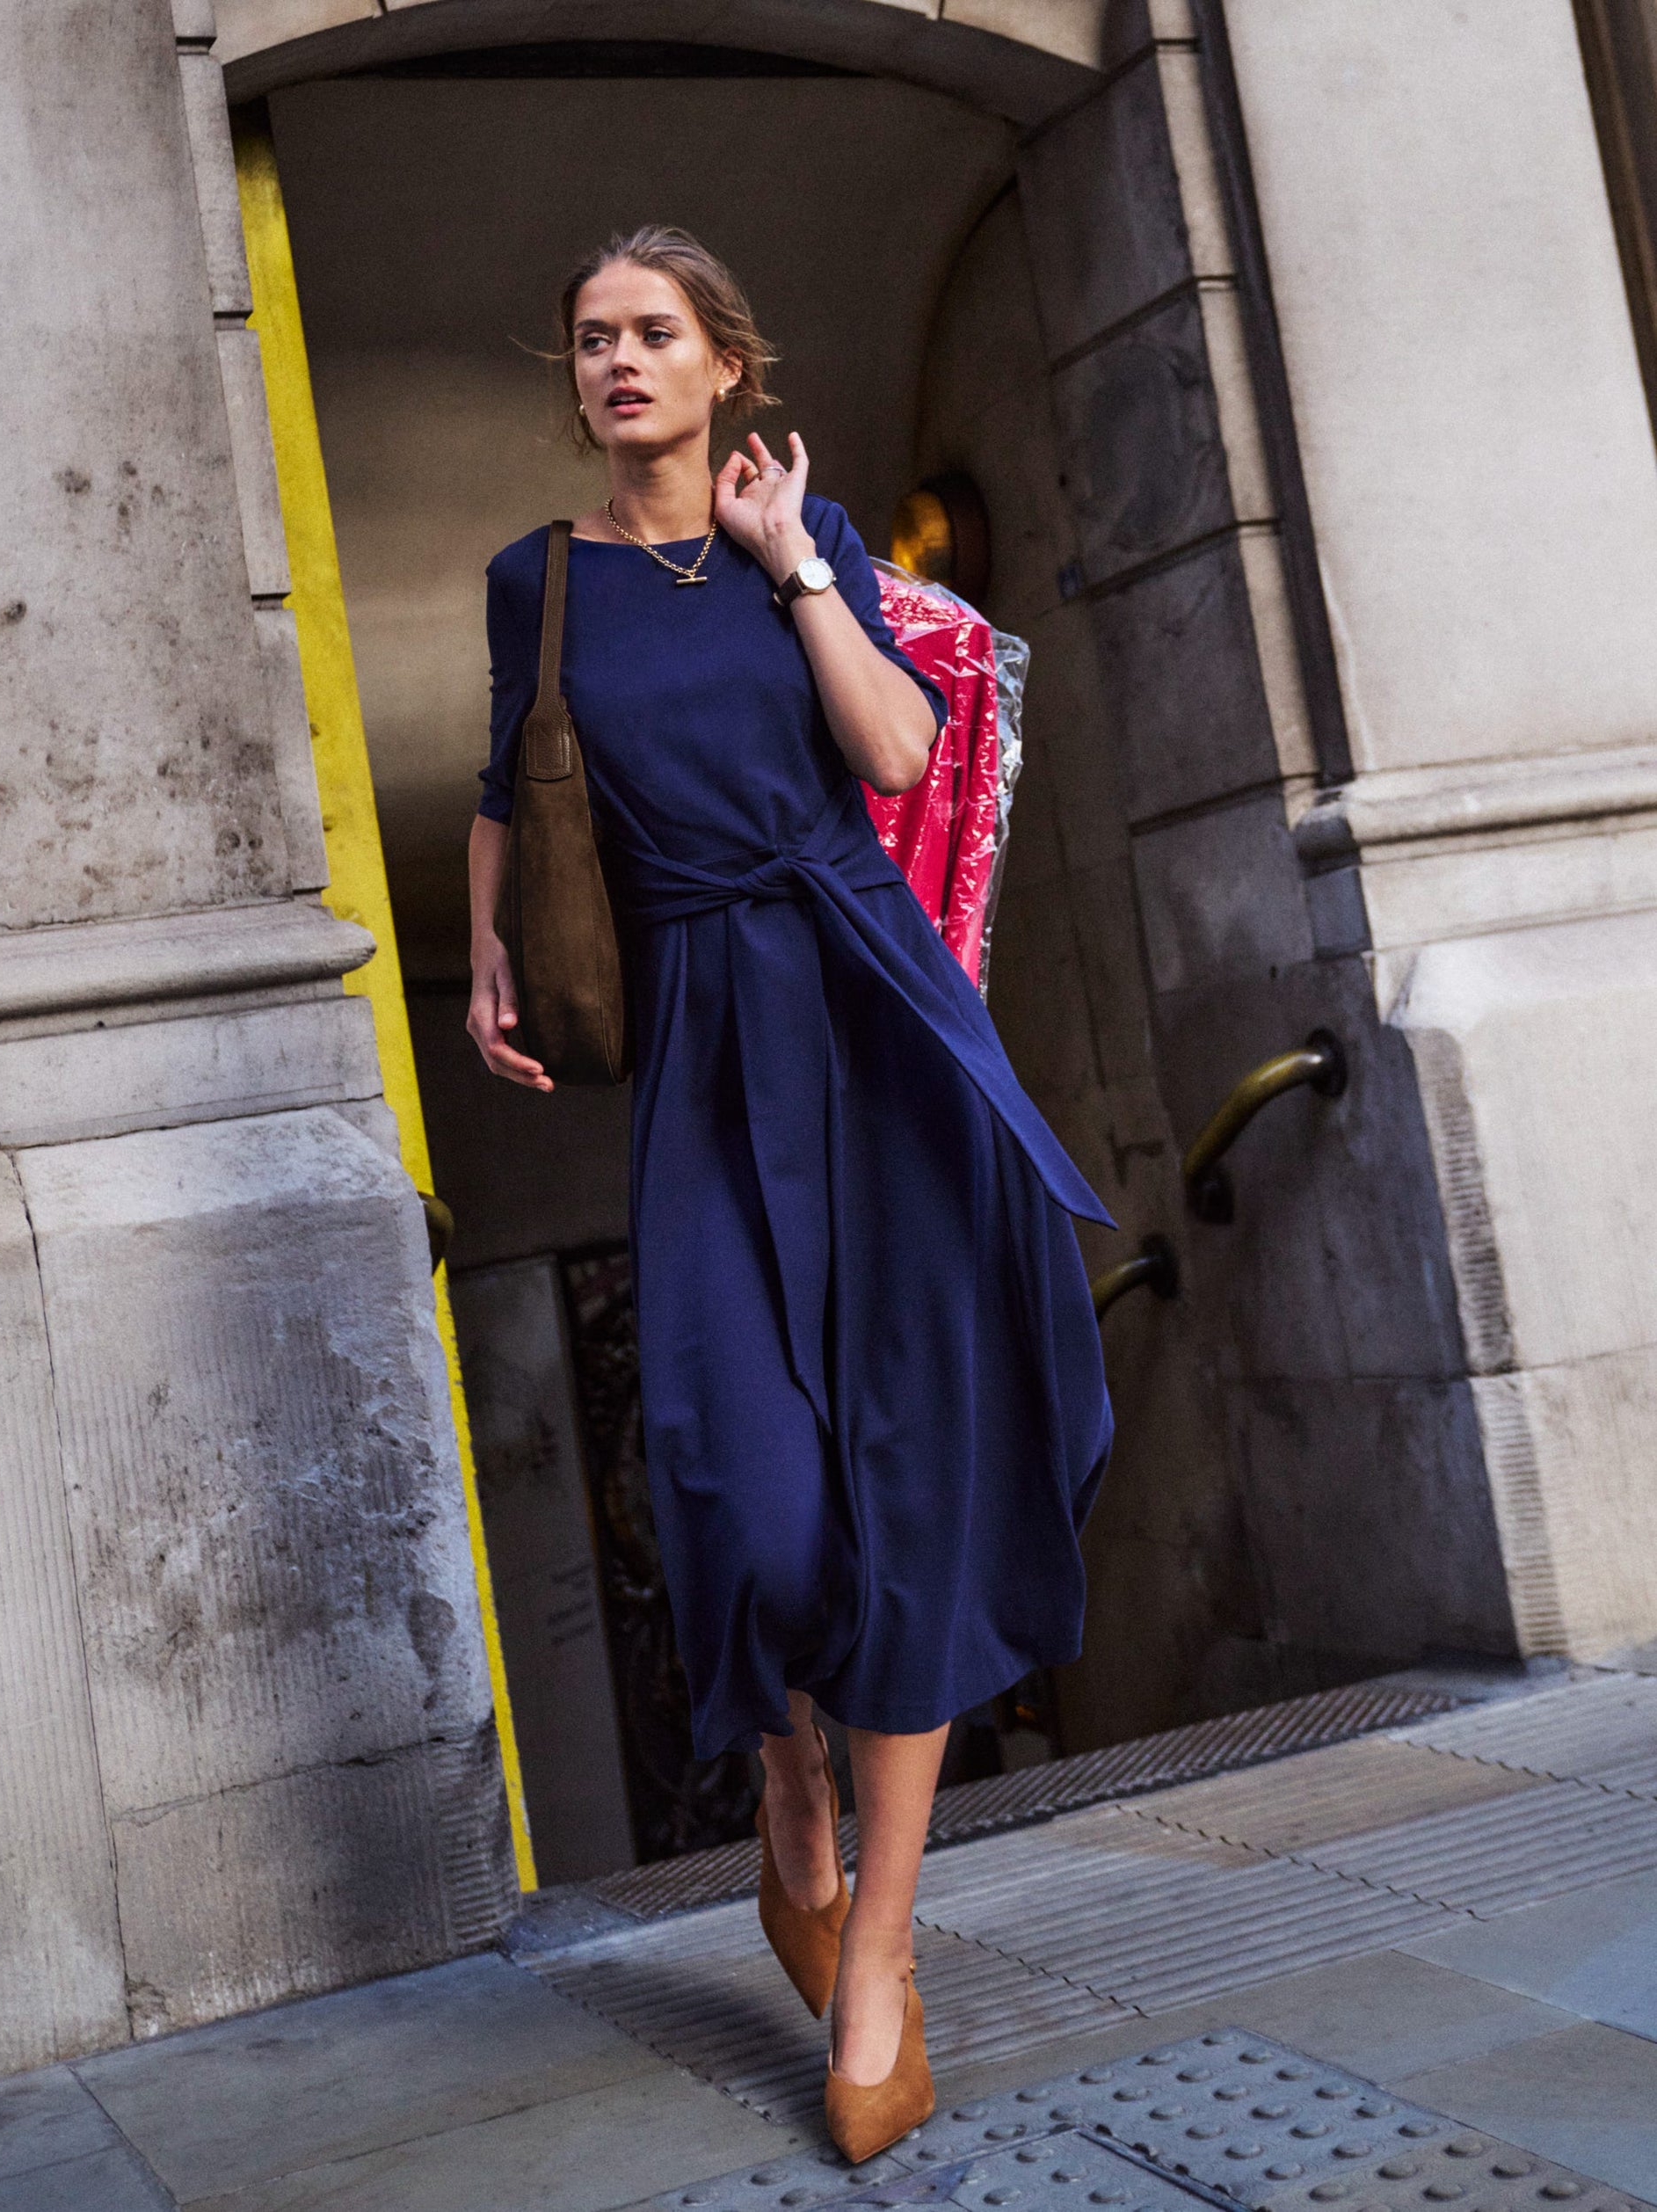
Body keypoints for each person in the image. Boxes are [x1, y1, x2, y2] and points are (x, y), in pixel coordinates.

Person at [468, 225, 1113, 2162]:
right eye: (590, 340)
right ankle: (786, 1798)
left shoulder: (804, 564)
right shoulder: (540, 584)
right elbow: (513, 783)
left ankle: (881, 1964)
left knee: (907, 1494)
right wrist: (487, 954)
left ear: (725, 365)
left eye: (652, 333)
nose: (617, 364)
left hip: (874, 1025)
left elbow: (899, 747)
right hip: (703, 1051)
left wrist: (799, 562)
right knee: (741, 1484)